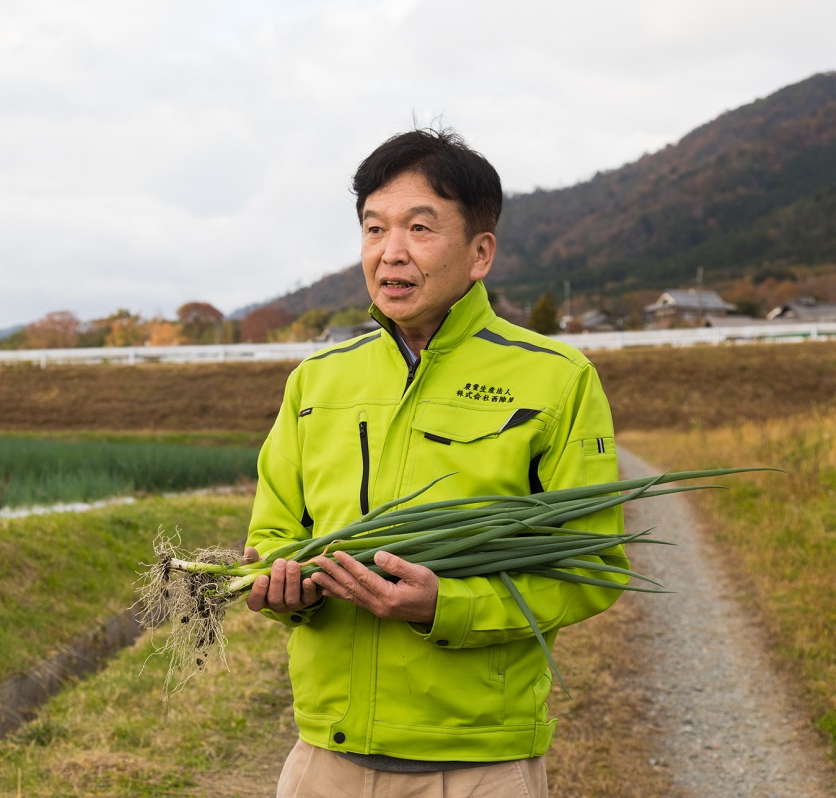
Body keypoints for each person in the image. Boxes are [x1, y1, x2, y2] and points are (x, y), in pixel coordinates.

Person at [243, 127, 626, 798]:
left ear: (480, 253)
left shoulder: (556, 379)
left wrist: (446, 605)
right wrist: (280, 590)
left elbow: (593, 569)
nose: (391, 253)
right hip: (325, 759)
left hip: (477, 765)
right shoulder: (317, 381)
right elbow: (274, 537)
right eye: (374, 229)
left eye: (420, 228)